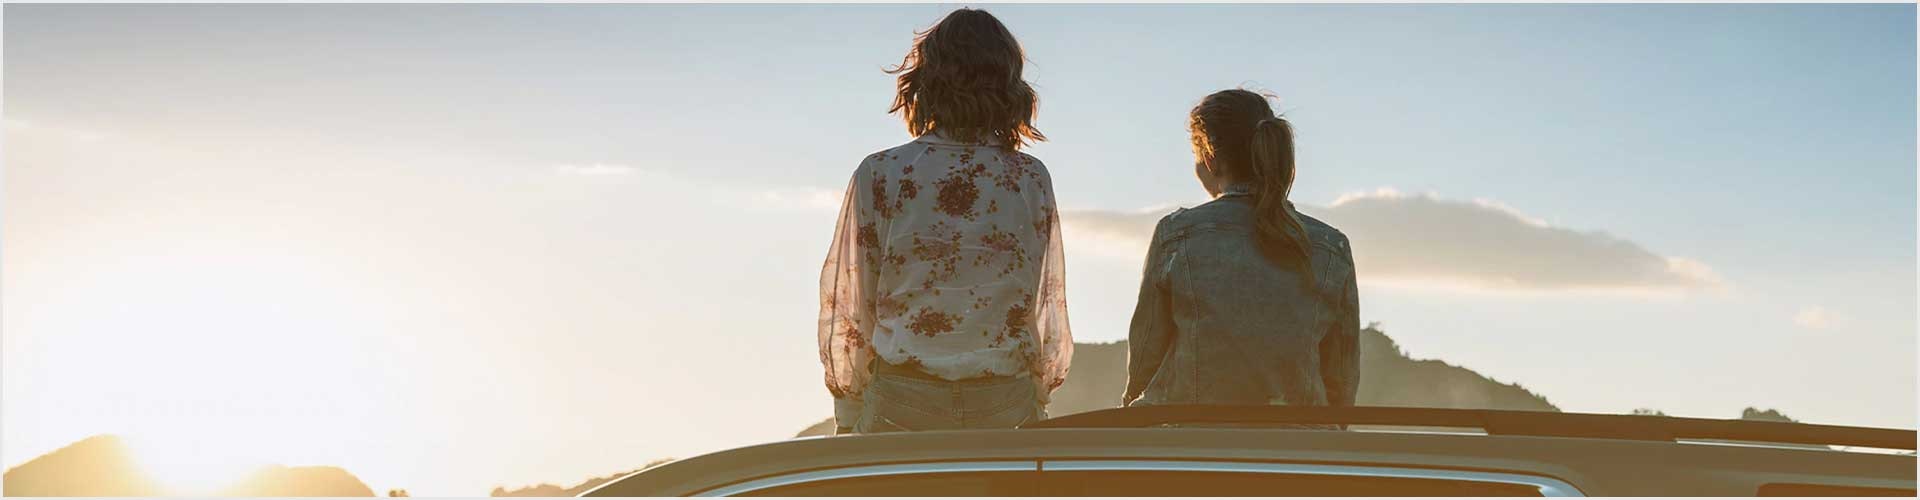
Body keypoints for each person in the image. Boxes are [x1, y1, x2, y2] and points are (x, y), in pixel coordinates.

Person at [818, 8, 1071, 434]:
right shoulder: (1028, 177)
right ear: (1008, 82)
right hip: (1003, 398)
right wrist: (1039, 391)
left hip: (901, 397)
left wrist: (848, 404)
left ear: (925, 81)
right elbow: (1045, 295)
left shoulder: (881, 172)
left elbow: (852, 299)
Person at [1123, 89, 1359, 414]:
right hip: (1297, 446)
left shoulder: (1176, 235)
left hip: (1189, 440)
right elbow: (1341, 380)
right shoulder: (1332, 247)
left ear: (1208, 158)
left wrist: (1130, 410)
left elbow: (1145, 355)